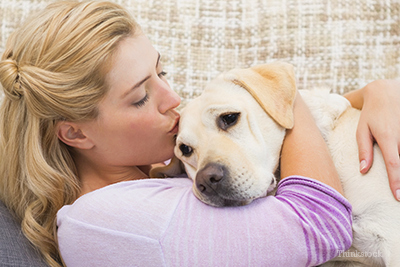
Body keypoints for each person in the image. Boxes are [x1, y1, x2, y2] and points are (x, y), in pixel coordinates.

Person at [0, 1, 397, 266]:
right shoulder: (103, 222)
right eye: (140, 97)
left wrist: (375, 93)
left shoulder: (160, 175)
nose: (172, 97)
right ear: (75, 134)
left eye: (162, 72)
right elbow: (319, 222)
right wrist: (285, 95)